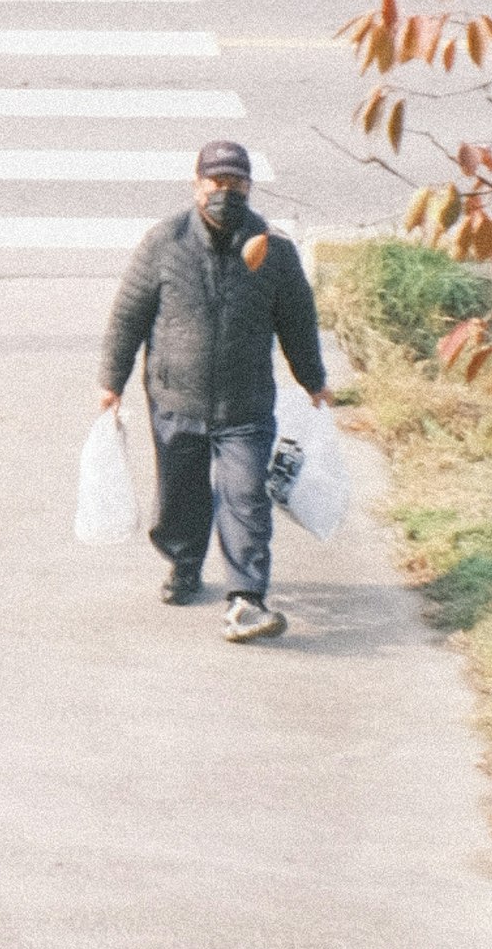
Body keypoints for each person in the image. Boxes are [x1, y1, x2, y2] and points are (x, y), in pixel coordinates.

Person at [94, 138, 338, 644]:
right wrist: (110, 381)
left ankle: (247, 597)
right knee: (179, 496)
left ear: (249, 187)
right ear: (197, 184)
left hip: (245, 402)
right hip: (174, 396)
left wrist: (314, 381)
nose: (226, 192)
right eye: (217, 182)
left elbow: (297, 322)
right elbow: (128, 316)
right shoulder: (165, 243)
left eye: (237, 183)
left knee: (246, 495)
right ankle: (184, 564)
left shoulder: (274, 251)